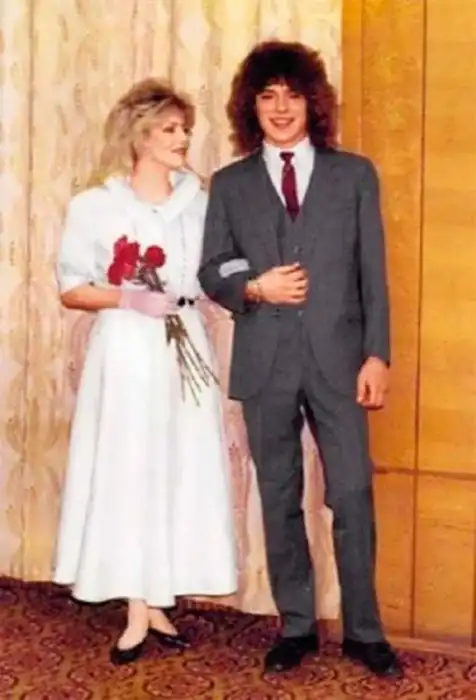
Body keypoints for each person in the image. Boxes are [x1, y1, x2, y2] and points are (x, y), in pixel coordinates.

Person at [198, 40, 402, 678]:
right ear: (250, 107)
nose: (281, 108)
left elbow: (373, 274)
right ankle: (296, 626)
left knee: (352, 492)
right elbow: (213, 268)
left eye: (292, 95)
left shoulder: (354, 175)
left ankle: (365, 631)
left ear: (313, 103)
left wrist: (377, 355)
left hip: (340, 362)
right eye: (268, 96)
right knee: (279, 493)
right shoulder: (229, 184)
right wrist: (255, 288)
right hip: (265, 363)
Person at [54, 78, 236, 665]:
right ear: (140, 136)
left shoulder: (201, 203)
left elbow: (219, 269)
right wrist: (129, 298)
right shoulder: (95, 206)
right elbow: (72, 288)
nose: (183, 139)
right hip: (127, 350)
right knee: (130, 466)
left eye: (186, 129)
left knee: (179, 466)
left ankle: (158, 596)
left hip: (185, 348)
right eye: (170, 129)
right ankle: (136, 604)